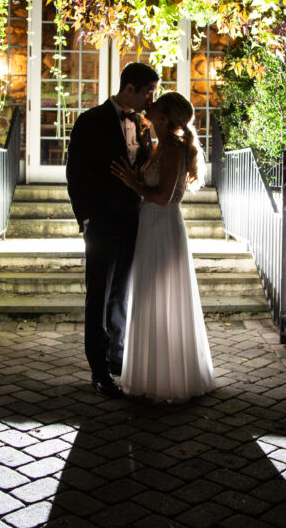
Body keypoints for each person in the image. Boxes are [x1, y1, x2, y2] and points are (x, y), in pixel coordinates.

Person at [110, 92, 216, 403]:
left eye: (156, 104)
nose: (149, 104)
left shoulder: (172, 149)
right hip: (150, 226)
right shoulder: (157, 145)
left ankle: (169, 379)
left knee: (160, 298)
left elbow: (162, 197)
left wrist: (132, 183)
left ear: (165, 117)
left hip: (162, 227)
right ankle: (152, 372)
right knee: (147, 297)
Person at [66, 62, 160, 398]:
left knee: (123, 292)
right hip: (102, 221)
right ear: (131, 88)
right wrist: (86, 217)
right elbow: (75, 172)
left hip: (135, 219)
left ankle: (117, 355)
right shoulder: (91, 121)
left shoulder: (141, 124)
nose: (153, 98)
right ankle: (98, 369)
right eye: (149, 91)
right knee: (99, 293)